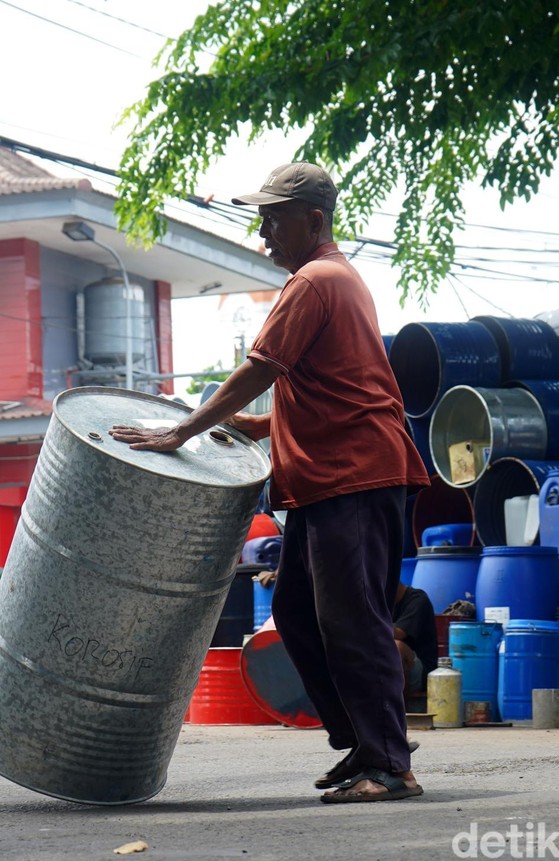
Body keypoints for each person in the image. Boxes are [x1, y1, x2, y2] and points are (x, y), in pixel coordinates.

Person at [109, 162, 430, 803]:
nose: (263, 232)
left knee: (354, 620)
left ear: (313, 220)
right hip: (328, 479)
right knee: (296, 611)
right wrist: (255, 430)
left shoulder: (315, 281)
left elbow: (262, 367)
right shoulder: (333, 281)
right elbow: (320, 386)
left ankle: (389, 762)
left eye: (273, 217)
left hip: (353, 476)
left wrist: (183, 431)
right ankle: (365, 744)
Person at [393, 583, 438, 701]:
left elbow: (398, 633)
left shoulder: (418, 600)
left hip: (422, 672)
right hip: (387, 667)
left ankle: (399, 710)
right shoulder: (380, 604)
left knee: (395, 647)